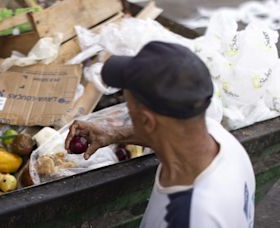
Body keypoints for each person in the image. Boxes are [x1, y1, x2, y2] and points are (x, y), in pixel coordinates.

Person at [65, 42, 255, 228]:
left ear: (148, 121)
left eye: (128, 105)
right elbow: (168, 133)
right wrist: (114, 133)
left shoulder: (189, 217)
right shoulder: (219, 138)